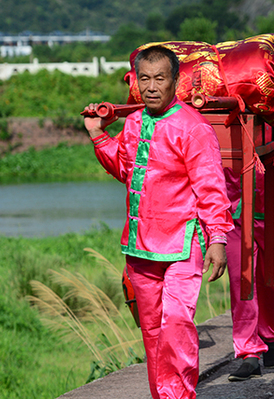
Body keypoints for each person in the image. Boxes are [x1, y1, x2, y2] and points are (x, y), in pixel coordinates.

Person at [83, 45, 234, 399]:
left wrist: (217, 239)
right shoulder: (134, 122)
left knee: (177, 325)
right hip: (140, 245)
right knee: (151, 331)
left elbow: (211, 188)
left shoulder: (192, 128)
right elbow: (124, 169)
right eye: (145, 79)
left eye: (160, 79)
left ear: (175, 81)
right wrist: (98, 135)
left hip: (183, 243)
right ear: (136, 81)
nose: (151, 87)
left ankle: (178, 395)